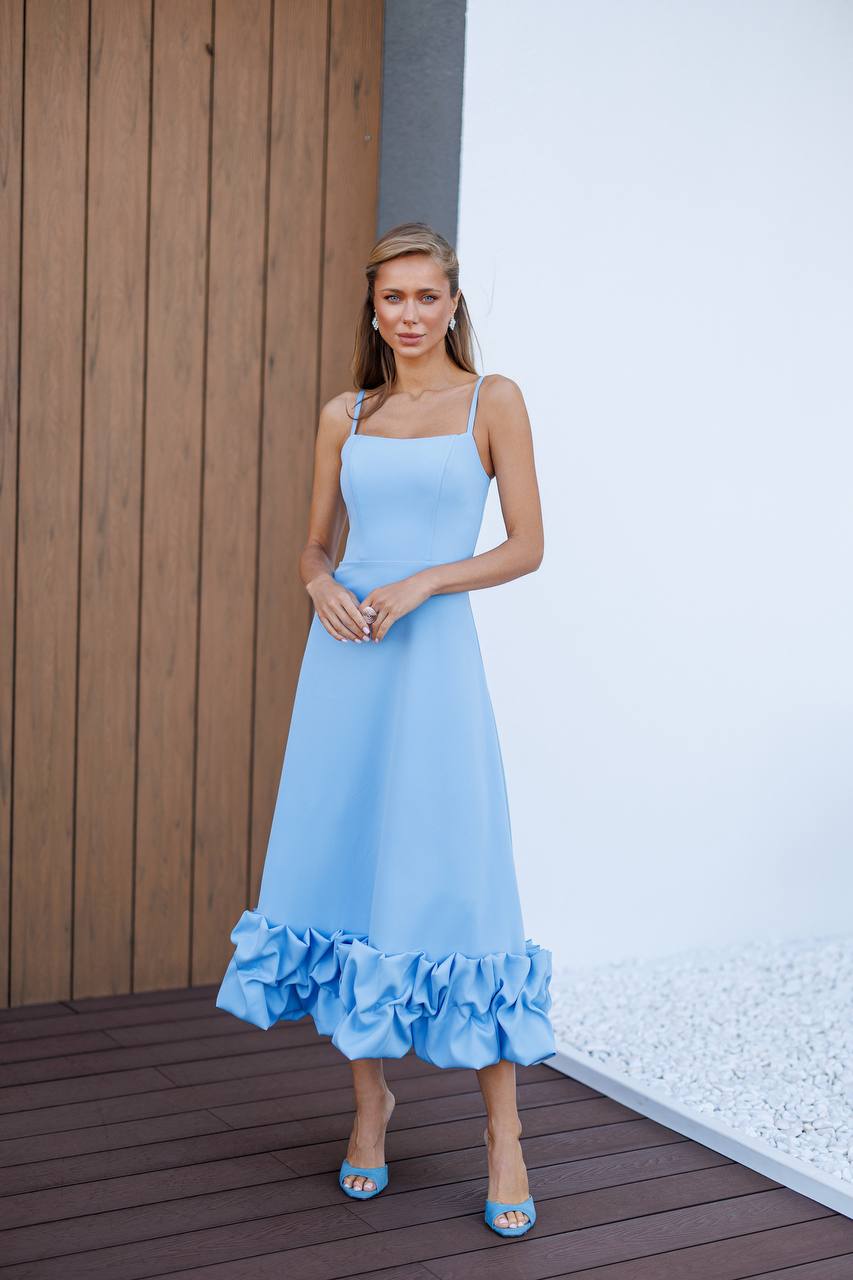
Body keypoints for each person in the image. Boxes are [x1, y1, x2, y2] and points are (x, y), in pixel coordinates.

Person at [216, 221, 556, 1238]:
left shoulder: (492, 402)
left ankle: (506, 1135)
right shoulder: (345, 413)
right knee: (343, 874)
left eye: (426, 296)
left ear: (453, 303)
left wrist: (426, 578)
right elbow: (314, 544)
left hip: (435, 665)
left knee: (463, 885)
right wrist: (320, 581)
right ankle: (370, 1103)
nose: (408, 315)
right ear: (373, 309)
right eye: (391, 299)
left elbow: (528, 546)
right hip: (349, 667)